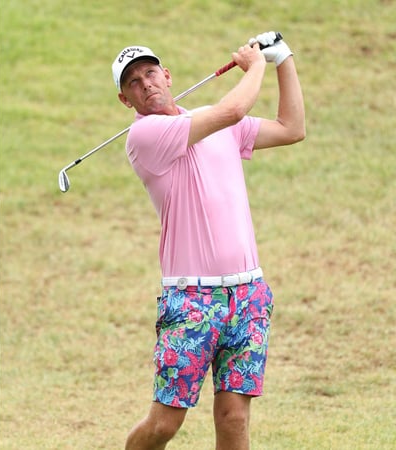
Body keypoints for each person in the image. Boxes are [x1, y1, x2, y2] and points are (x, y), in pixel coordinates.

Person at [111, 31, 305, 450]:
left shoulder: (215, 124)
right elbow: (234, 109)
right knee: (164, 425)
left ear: (167, 75)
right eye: (133, 83)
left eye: (150, 74)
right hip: (190, 299)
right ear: (126, 100)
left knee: (234, 418)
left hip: (248, 292)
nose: (146, 85)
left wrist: (282, 58)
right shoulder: (145, 138)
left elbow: (292, 128)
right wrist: (256, 66)